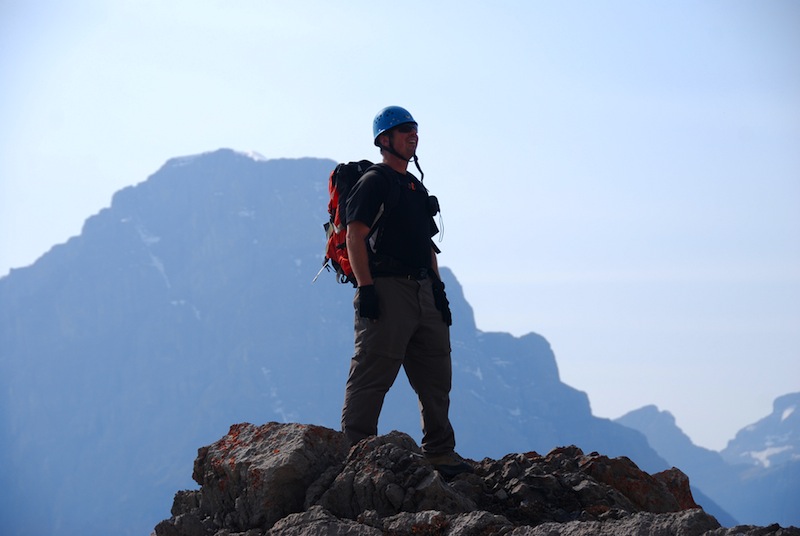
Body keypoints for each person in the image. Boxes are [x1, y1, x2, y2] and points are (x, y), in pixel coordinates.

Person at [340, 105, 472, 479]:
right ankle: (355, 453)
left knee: (436, 375)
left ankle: (440, 453)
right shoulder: (375, 181)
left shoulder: (415, 187)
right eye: (404, 131)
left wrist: (439, 291)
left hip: (423, 291)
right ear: (384, 140)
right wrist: (367, 289)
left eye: (415, 129)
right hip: (387, 288)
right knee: (372, 371)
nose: (413, 136)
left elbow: (428, 245)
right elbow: (355, 235)